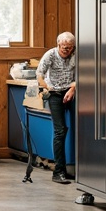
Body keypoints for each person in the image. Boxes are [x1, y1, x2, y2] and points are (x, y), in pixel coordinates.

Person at [37, 31, 77, 184]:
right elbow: (39, 74)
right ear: (58, 44)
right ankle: (58, 172)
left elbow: (84, 73)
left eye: (69, 48)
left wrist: (73, 88)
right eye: (63, 47)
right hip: (54, 93)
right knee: (60, 130)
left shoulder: (76, 55)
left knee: (79, 129)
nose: (66, 51)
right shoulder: (51, 55)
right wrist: (48, 87)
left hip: (71, 91)